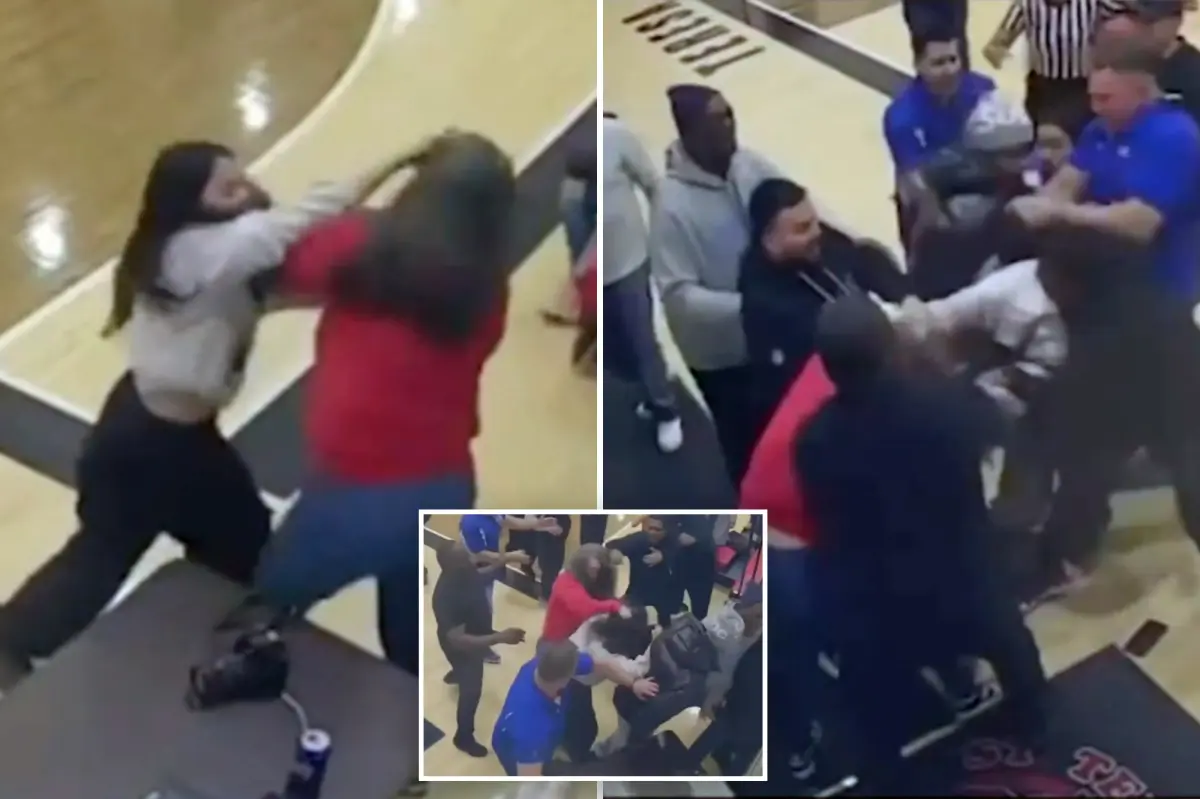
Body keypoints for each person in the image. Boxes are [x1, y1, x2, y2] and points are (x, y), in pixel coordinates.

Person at [0, 141, 406, 685]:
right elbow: (297, 221)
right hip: (154, 445)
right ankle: (12, 645)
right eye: (228, 188)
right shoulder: (202, 252)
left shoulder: (204, 259)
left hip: (162, 433)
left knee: (223, 542)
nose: (245, 193)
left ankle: (178, 637)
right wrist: (394, 160)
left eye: (243, 180)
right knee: (106, 558)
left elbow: (275, 290)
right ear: (189, 202)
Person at [253, 131, 516, 675]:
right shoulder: (485, 290)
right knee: (410, 644)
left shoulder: (361, 246)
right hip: (443, 481)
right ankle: (411, 747)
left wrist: (390, 158)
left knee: (264, 604)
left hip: (354, 492)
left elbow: (278, 257)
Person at [796, 296, 1045, 793]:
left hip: (882, 606)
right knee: (1014, 649)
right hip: (967, 580)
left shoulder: (814, 440)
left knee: (870, 709)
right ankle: (1036, 725)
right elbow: (1005, 435)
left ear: (827, 366)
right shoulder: (947, 403)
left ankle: (890, 779)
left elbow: (828, 526)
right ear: (891, 348)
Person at [650, 84, 783, 484]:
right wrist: (748, 305)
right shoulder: (670, 208)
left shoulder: (749, 165)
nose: (730, 124)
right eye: (717, 119)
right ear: (691, 133)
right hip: (721, 358)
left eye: (730, 113)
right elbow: (679, 296)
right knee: (745, 447)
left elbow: (793, 201)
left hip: (764, 335)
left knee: (782, 431)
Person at [1013, 36, 1200, 298]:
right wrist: (1038, 206)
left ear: (1142, 91)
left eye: (1105, 98)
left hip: (1154, 286)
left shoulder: (1173, 136)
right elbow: (1069, 180)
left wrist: (1060, 212)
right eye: (1092, 97)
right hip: (1093, 268)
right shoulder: (1101, 128)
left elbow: (1140, 224)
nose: (1095, 107)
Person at [739, 178, 908, 436]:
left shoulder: (817, 243)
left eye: (815, 221)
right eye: (802, 228)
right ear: (770, 240)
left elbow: (864, 261)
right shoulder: (766, 301)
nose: (817, 232)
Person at [603, 113, 682, 454]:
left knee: (642, 339)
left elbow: (652, 183)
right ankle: (651, 392)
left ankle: (666, 408)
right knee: (617, 344)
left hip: (629, 261)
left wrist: (663, 237)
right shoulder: (575, 156)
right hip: (595, 269)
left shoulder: (617, 136)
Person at [886, 29, 996, 250]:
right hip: (927, 198)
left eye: (953, 60)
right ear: (919, 65)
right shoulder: (901, 117)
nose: (948, 70)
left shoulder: (983, 90)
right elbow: (915, 184)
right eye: (938, 63)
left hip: (976, 185)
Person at [492, 640, 658, 776]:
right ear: (565, 679)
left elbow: (604, 665)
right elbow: (530, 782)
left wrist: (634, 683)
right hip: (518, 755)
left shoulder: (543, 666)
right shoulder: (532, 728)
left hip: (542, 736)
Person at [432, 542, 527, 758]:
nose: (470, 557)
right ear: (454, 566)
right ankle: (463, 737)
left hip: (473, 634)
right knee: (472, 691)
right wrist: (500, 637)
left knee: (462, 671)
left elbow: (481, 573)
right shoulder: (446, 596)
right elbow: (459, 640)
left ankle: (456, 672)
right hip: (463, 647)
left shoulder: (464, 572)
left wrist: (507, 558)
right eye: (465, 557)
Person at [984, 0, 1120, 125]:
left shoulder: (1094, 3)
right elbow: (995, 45)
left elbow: (1130, 18)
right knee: (1048, 141)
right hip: (1044, 90)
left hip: (1084, 87)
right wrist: (997, 53)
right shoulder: (1026, 4)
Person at [562, 608, 655, 762]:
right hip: (573, 682)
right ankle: (576, 760)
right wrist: (654, 646)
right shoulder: (606, 655)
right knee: (585, 731)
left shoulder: (596, 620)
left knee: (578, 721)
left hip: (563, 667)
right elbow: (635, 669)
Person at [1099, 1, 1200, 124]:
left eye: (1151, 21)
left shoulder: (1193, 72)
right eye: (1136, 18)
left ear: (1176, 21)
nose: (1142, 27)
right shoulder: (1124, 63)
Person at [459, 514, 542, 663]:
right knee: (480, 612)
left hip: (488, 571)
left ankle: (479, 639)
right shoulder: (471, 523)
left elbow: (508, 520)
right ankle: (478, 648)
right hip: (474, 573)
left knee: (486, 610)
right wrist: (512, 556)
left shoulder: (492, 513)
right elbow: (480, 555)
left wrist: (538, 524)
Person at [605, 515, 680, 626]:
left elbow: (682, 557)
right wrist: (615, 552)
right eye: (650, 528)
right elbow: (611, 544)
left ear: (666, 531)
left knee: (666, 626)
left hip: (666, 597)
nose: (652, 532)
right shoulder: (639, 539)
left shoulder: (673, 542)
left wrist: (664, 556)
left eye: (657, 529)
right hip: (637, 593)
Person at [542, 544, 625, 643]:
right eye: (592, 569)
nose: (595, 573)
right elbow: (585, 608)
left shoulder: (595, 578)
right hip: (557, 640)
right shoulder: (565, 581)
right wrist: (613, 605)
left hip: (578, 636)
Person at [668, 515, 719, 620]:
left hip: (704, 566)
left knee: (700, 611)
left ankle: (696, 628)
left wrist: (697, 537)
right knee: (673, 604)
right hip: (679, 562)